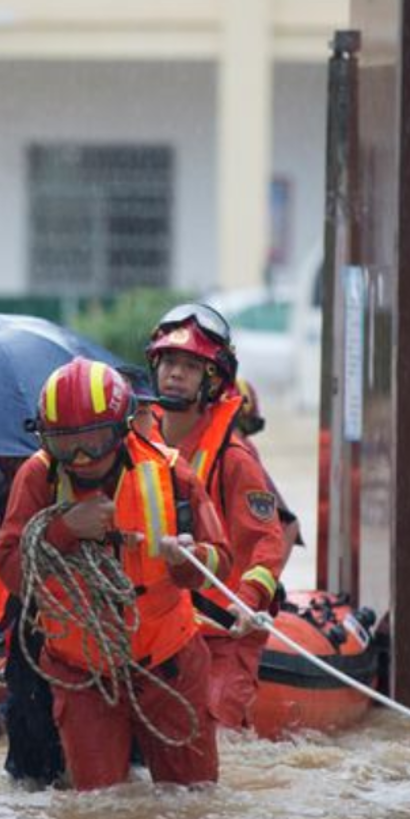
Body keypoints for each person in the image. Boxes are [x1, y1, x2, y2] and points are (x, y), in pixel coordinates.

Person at [0, 357, 231, 791]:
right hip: (82, 673)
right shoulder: (38, 477)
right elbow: (11, 568)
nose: (82, 458)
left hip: (169, 665)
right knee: (99, 808)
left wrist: (189, 561)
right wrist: (64, 529)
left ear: (122, 429)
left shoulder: (173, 475)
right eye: (67, 445)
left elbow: (221, 562)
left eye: (95, 440)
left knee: (194, 801)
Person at [144, 304, 300, 731]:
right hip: (159, 628)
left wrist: (247, 604)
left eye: (190, 367)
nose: (175, 373)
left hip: (225, 632)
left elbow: (267, 543)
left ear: (212, 380)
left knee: (214, 736)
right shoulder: (137, 443)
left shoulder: (234, 458)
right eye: (169, 362)